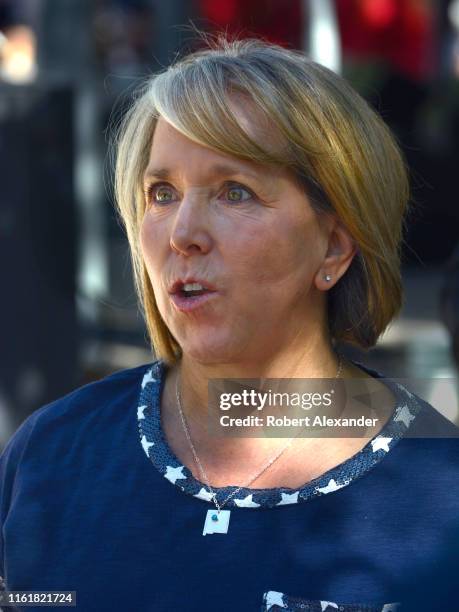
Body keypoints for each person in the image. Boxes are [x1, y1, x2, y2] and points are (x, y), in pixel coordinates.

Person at [1, 35, 458, 612]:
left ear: (335, 249)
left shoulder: (441, 492)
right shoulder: (51, 454)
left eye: (234, 192)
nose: (181, 232)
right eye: (161, 193)